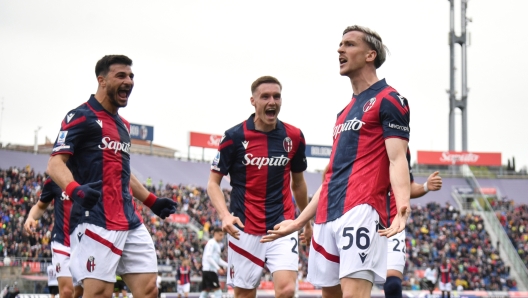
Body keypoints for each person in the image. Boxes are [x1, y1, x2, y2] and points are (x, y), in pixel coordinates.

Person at [262, 25, 411, 298]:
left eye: (349, 44)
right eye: (340, 44)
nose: (340, 49)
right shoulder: (342, 113)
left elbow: (397, 157)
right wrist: (298, 222)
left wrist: (403, 205)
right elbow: (331, 176)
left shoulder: (390, 99)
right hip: (325, 217)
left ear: (370, 55)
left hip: (361, 210)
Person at [46, 55, 177, 298]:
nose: (129, 81)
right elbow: (54, 164)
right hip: (94, 218)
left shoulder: (123, 125)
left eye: (131, 76)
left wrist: (152, 201)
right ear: (102, 80)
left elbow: (122, 173)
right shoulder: (80, 116)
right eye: (121, 76)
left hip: (129, 219)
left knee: (149, 290)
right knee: (98, 293)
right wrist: (76, 190)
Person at [207, 76, 310, 298]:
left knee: (287, 290)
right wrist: (224, 215)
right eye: (265, 96)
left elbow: (299, 183)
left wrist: (306, 221)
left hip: (282, 226)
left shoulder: (294, 136)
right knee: (244, 294)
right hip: (243, 228)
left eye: (277, 96)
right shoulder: (233, 137)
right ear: (253, 101)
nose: (272, 101)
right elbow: (213, 184)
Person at [384, 153, 442, 298]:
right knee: (355, 286)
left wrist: (425, 186)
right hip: (364, 218)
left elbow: (406, 187)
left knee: (393, 285)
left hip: (394, 221)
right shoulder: (362, 138)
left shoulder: (402, 145)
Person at [24, 177, 83, 298]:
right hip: (62, 240)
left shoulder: (90, 173)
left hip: (86, 242)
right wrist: (31, 217)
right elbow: (40, 206)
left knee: (83, 290)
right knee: (67, 291)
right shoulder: (55, 180)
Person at [199, 228, 228, 298]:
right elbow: (208, 257)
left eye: (223, 235)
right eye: (220, 235)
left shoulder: (217, 245)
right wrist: (218, 268)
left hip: (209, 270)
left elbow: (217, 260)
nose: (222, 237)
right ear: (215, 234)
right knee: (218, 291)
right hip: (209, 270)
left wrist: (228, 265)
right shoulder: (211, 243)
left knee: (205, 291)